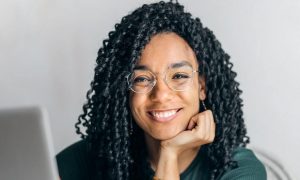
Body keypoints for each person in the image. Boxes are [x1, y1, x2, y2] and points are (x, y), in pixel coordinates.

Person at [56, 1, 266, 180]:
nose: (161, 95)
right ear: (125, 90)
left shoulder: (241, 170)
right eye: (142, 79)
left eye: (179, 76)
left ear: (202, 86)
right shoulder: (95, 156)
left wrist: (170, 152)